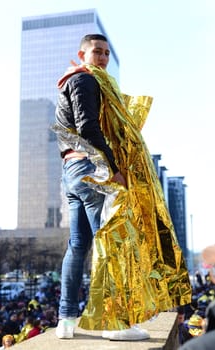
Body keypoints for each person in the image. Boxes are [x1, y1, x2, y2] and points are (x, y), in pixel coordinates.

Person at [54, 33, 191, 341]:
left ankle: (66, 320)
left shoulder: (69, 82)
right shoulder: (86, 81)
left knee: (78, 246)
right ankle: (114, 323)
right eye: (96, 52)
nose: (102, 58)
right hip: (92, 168)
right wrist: (111, 169)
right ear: (83, 54)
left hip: (71, 170)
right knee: (113, 241)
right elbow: (88, 125)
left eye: (105, 53)